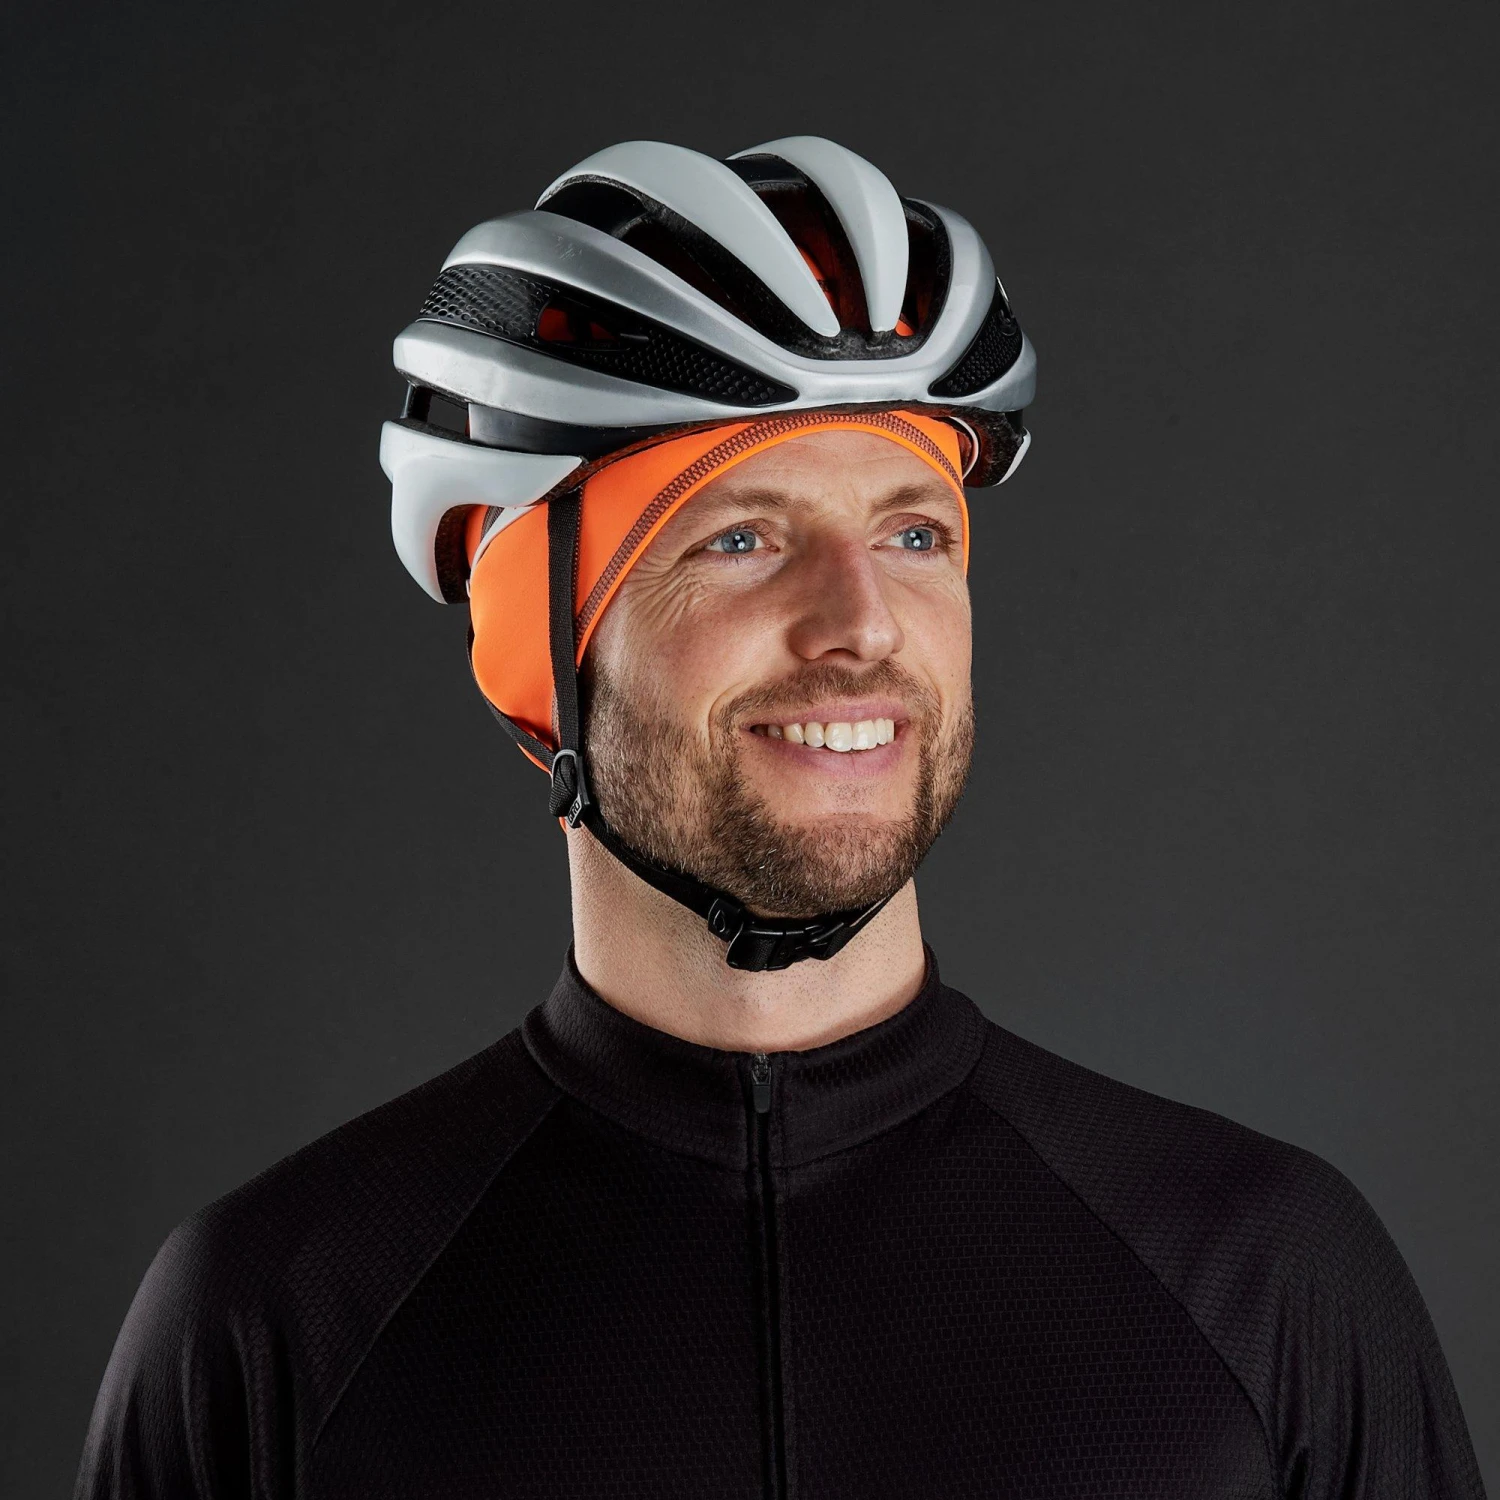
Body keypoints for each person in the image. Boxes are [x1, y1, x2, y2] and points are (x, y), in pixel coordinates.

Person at [75, 136, 1485, 1499]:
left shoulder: (1264, 1282)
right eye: (739, 537)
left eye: (914, 533)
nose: (861, 624)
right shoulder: (275, 1325)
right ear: (535, 648)